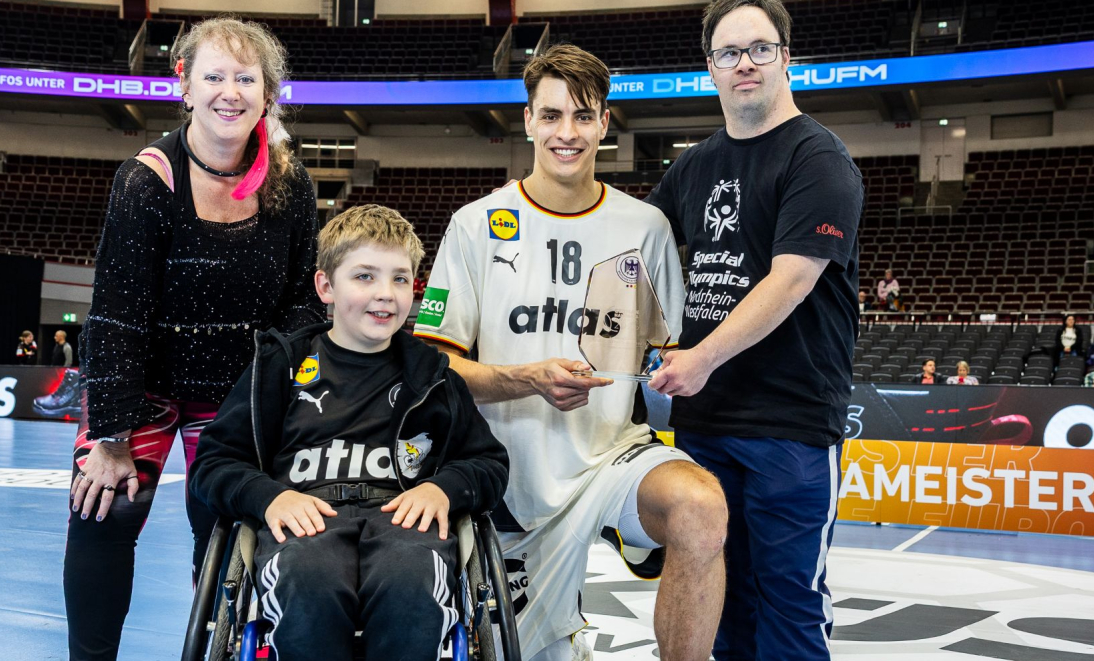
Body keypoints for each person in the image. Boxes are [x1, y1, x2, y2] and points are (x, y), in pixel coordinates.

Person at [418, 45, 725, 661]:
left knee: (700, 509)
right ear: (528, 120)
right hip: (504, 477)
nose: (568, 132)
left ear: (605, 123)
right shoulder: (475, 225)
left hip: (611, 458)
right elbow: (433, 365)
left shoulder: (645, 229)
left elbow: (662, 356)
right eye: (552, 115)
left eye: (583, 116)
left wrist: (669, 368)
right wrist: (526, 379)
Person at [64, 17, 322, 661]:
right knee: (104, 509)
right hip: (145, 383)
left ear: (269, 93)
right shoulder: (146, 179)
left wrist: (274, 403)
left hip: (237, 388)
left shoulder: (290, 184)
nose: (229, 92)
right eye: (213, 76)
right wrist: (112, 439)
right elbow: (116, 314)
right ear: (184, 87)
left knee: (231, 531)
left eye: (245, 78)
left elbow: (300, 306)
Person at [642, 1, 865, 658]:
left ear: (786, 58)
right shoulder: (692, 166)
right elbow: (638, 259)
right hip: (706, 422)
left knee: (789, 597)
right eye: (729, 53)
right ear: (709, 68)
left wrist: (700, 356)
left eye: (760, 49)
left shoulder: (818, 157)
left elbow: (790, 280)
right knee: (723, 597)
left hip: (789, 424)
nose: (745, 64)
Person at [193, 204, 509, 660]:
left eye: (400, 278)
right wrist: (268, 496)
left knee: (412, 577)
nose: (385, 293)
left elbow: (488, 463)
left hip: (403, 520)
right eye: (364, 276)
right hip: (306, 518)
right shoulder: (278, 366)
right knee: (307, 576)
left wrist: (444, 490)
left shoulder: (434, 376)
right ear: (326, 286)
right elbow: (214, 462)